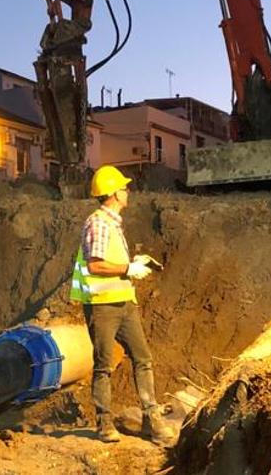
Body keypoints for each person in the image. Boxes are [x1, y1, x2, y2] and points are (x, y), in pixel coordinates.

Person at [70, 165, 173, 445]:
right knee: (103, 365)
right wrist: (128, 268)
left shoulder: (112, 223)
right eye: (125, 188)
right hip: (103, 306)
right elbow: (96, 264)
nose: (128, 191)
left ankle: (153, 419)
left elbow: (108, 260)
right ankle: (104, 424)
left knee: (143, 358)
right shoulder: (98, 223)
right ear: (115, 193)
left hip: (124, 303)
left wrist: (134, 263)